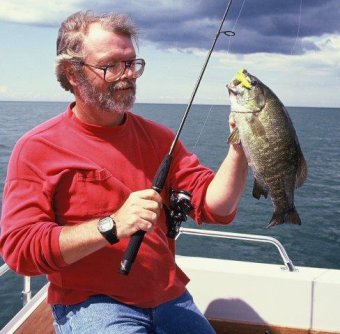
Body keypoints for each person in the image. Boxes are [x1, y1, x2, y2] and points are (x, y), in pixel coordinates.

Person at [0, 11, 248, 334]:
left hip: (169, 295)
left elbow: (215, 206)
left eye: (132, 63)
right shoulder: (36, 149)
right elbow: (21, 250)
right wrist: (112, 225)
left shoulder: (160, 139)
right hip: (90, 303)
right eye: (112, 65)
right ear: (71, 73)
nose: (128, 75)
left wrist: (240, 148)